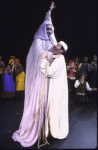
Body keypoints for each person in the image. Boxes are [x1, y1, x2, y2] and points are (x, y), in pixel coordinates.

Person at [12, 1, 57, 148]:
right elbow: (40, 55)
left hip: (48, 76)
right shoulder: (38, 41)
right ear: (43, 29)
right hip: (40, 77)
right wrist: (50, 55)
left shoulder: (50, 40)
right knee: (39, 101)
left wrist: (49, 12)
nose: (50, 31)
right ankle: (34, 129)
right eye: (48, 29)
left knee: (48, 103)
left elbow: (53, 49)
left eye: (51, 29)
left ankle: (45, 130)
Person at [41, 41, 69, 141]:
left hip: (57, 90)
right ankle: (56, 129)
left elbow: (49, 72)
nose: (55, 45)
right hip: (58, 89)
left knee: (55, 110)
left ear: (61, 50)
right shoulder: (60, 58)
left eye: (58, 45)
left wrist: (43, 59)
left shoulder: (59, 60)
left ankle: (56, 131)